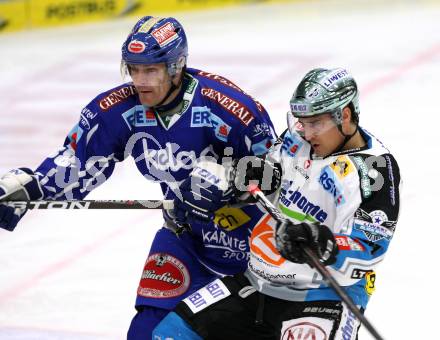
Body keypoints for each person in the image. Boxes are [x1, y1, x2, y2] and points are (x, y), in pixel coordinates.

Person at [0, 16, 277, 339]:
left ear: (176, 67)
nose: (140, 81)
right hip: (185, 238)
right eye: (133, 69)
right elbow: (78, 164)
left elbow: (278, 175)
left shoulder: (230, 108)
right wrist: (33, 185)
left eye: (150, 70)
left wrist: (230, 179)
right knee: (147, 332)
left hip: (253, 250)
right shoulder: (119, 109)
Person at [152, 67, 402, 339]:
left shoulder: (373, 170)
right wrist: (221, 184)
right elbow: (266, 177)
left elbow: (370, 249)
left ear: (344, 115)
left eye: (315, 123)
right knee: (171, 333)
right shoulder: (297, 139)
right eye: (301, 122)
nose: (306, 133)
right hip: (256, 283)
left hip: (321, 296)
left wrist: (317, 239)